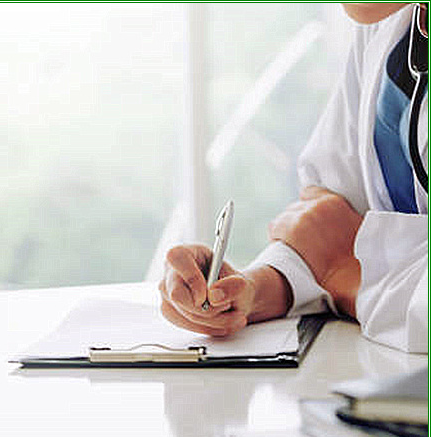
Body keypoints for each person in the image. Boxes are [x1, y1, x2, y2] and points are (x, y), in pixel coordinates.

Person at [159, 3, 428, 353]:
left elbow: (340, 253)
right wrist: (252, 289)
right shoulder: (387, 22)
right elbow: (328, 223)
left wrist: (344, 273)